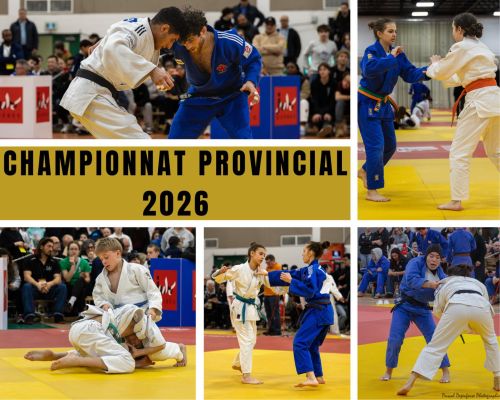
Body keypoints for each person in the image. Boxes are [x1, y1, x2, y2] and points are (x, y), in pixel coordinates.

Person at [60, 7, 186, 139]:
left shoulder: (139, 28)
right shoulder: (137, 31)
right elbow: (113, 48)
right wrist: (152, 70)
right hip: (91, 94)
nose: (170, 46)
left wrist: (104, 40)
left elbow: (114, 35)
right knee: (138, 141)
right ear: (164, 28)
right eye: (172, 39)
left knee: (127, 142)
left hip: (95, 93)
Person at [425, 13, 500, 211]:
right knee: (496, 151)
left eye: (453, 28)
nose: (453, 32)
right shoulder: (482, 47)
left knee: (459, 152)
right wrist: (439, 70)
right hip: (495, 99)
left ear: (459, 29)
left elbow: (441, 71)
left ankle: (456, 200)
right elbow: (461, 77)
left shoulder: (461, 47)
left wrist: (434, 64)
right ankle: (456, 199)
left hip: (479, 102)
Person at [397, 264, 500, 395]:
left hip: (456, 306)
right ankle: (498, 376)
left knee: (435, 346)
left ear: (450, 274)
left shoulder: (444, 283)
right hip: (482, 307)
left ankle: (410, 382)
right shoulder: (478, 283)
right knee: (491, 342)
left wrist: (455, 326)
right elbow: (482, 302)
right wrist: (468, 326)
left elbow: (438, 309)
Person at [358, 18, 430, 202]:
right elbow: (369, 70)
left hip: (384, 105)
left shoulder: (398, 54)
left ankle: (365, 170)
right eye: (390, 31)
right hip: (367, 103)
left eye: (395, 31)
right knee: (376, 146)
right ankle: (372, 190)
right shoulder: (371, 51)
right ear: (379, 33)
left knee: (390, 146)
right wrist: (390, 58)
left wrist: (431, 69)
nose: (394, 34)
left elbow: (410, 74)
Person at [168, 8, 262, 139]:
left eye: (190, 40)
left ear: (202, 31)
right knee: (176, 140)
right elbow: (154, 46)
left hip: (232, 95)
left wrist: (251, 81)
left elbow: (253, 58)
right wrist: (154, 70)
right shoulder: (177, 44)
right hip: (197, 95)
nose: (187, 47)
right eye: (183, 42)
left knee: (243, 140)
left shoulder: (229, 41)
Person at [264, 241, 334, 387]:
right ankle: (318, 376)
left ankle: (311, 378)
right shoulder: (311, 269)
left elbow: (309, 291)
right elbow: (290, 274)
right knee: (312, 345)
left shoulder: (313, 270)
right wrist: (266, 275)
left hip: (318, 311)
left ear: (311, 253)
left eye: (304, 251)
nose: (302, 254)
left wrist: (291, 282)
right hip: (323, 312)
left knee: (300, 342)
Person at [212, 243, 281, 384]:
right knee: (247, 340)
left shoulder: (261, 272)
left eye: (264, 255)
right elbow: (219, 278)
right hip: (240, 307)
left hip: (251, 308)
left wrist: (287, 284)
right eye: (260, 254)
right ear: (252, 253)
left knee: (252, 340)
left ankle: (238, 363)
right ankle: (246, 375)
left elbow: (274, 286)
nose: (263, 257)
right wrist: (220, 272)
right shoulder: (239, 269)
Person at [382, 245, 450, 382]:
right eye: (431, 256)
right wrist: (431, 284)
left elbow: (445, 291)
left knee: (435, 339)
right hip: (404, 306)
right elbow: (412, 280)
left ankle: (445, 370)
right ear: (426, 256)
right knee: (395, 339)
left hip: (422, 309)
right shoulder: (415, 263)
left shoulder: (441, 274)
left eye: (437, 257)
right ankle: (389, 370)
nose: (434, 260)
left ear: (441, 260)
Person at [92, 237, 162, 322]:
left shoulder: (137, 270)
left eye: (106, 257)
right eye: (101, 259)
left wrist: (153, 309)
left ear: (118, 253)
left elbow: (153, 291)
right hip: (116, 317)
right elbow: (98, 297)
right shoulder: (100, 279)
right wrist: (104, 304)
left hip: (141, 315)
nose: (104, 262)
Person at [21, 238, 67, 324]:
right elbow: (26, 277)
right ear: (41, 247)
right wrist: (37, 285)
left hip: (48, 289)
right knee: (26, 286)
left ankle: (58, 315)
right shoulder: (30, 260)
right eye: (49, 246)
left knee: (62, 287)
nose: (51, 249)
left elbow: (58, 278)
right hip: (35, 289)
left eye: (52, 247)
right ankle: (29, 315)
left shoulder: (54, 262)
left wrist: (49, 284)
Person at [59, 241, 92, 315]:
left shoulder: (84, 262)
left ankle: (71, 302)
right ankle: (80, 311)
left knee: (81, 281)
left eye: (76, 249)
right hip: (69, 286)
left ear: (79, 251)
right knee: (79, 288)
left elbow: (88, 279)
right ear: (68, 251)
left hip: (81, 286)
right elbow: (67, 279)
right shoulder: (63, 262)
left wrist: (84, 276)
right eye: (71, 249)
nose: (73, 251)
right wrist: (73, 265)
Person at [263, 254, 282, 336]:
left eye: (268, 262)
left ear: (273, 261)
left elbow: (275, 277)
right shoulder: (267, 268)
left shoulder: (278, 266)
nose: (267, 264)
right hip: (266, 293)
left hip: (274, 294)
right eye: (266, 263)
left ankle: (277, 330)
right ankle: (270, 329)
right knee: (268, 313)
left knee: (275, 313)